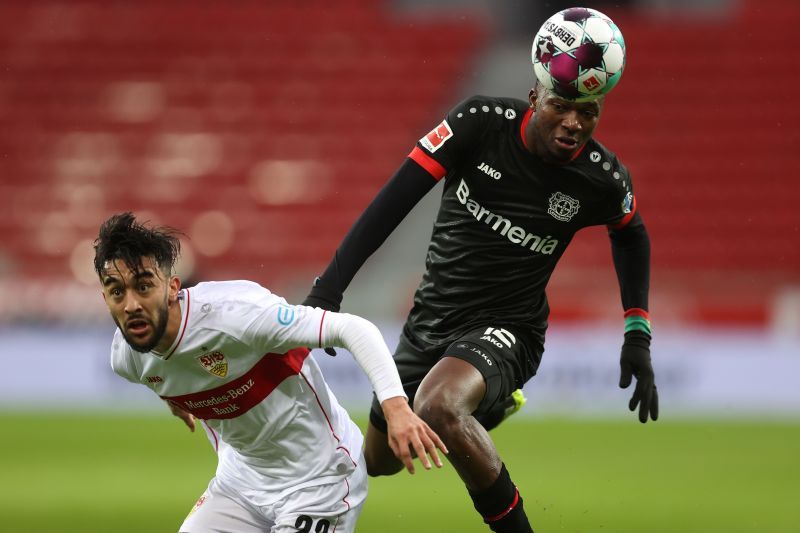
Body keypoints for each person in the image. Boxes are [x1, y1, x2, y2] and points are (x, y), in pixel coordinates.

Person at [302, 11, 659, 533]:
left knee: (440, 405)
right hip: (432, 319)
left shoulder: (599, 178)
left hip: (510, 326)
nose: (574, 124)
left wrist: (637, 332)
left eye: (588, 112)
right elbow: (390, 204)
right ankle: (489, 407)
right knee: (378, 459)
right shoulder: (478, 123)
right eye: (562, 106)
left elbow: (632, 234)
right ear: (536, 97)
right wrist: (328, 288)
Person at [93, 212, 447, 533]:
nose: (132, 304)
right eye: (116, 291)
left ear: (172, 288)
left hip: (319, 481)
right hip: (239, 484)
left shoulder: (238, 315)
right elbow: (163, 372)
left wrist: (397, 408)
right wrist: (173, 398)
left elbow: (355, 329)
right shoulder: (127, 358)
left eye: (143, 286)